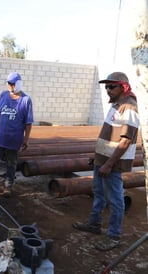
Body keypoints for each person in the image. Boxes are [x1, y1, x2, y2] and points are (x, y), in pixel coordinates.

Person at [72, 72, 139, 251]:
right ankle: (94, 224)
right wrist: (99, 157)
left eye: (112, 86)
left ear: (123, 87)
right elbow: (110, 136)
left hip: (113, 164)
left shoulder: (129, 108)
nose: (108, 90)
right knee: (99, 193)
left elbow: (125, 141)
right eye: (106, 86)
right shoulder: (115, 105)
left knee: (115, 199)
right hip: (103, 161)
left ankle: (114, 236)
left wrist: (109, 163)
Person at [0, 72, 34, 196]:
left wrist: (26, 140)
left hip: (14, 140)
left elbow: (28, 123)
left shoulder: (26, 100)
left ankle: (8, 187)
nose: (10, 86)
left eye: (12, 84)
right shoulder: (3, 96)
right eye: (8, 83)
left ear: (18, 84)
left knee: (11, 164)